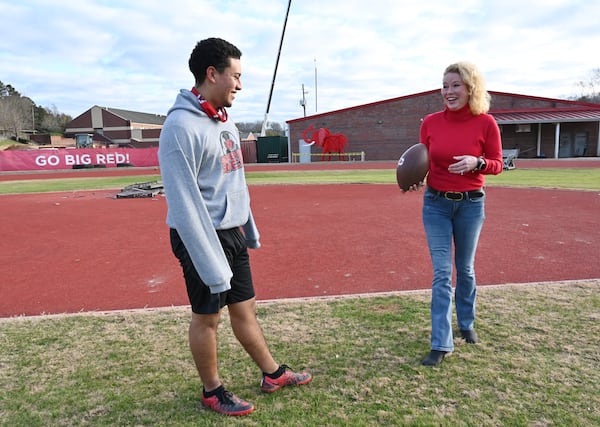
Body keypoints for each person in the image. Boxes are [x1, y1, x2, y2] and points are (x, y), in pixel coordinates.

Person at [158, 37, 311, 416]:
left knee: (245, 309)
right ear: (213, 74)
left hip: (231, 232)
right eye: (236, 76)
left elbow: (234, 182)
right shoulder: (179, 126)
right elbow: (184, 201)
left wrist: (248, 227)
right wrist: (210, 261)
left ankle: (272, 373)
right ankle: (212, 391)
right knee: (207, 316)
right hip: (200, 237)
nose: (240, 85)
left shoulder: (224, 121)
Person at [416, 62, 503, 366]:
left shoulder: (486, 123)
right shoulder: (430, 122)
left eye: (455, 85)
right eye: (445, 85)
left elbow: (497, 163)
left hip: (470, 204)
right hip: (436, 204)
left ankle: (466, 323)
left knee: (464, 269)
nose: (448, 92)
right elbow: (422, 160)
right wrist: (411, 176)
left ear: (470, 88)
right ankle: (441, 342)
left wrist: (477, 163)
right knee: (442, 274)